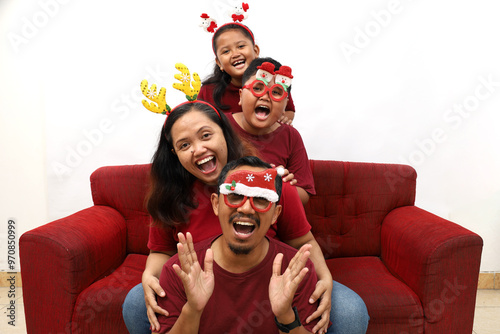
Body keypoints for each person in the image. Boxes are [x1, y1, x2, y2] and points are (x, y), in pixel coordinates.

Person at [122, 101, 369, 334]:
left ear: (225, 134)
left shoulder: (269, 183)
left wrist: (325, 277)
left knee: (350, 311)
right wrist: (149, 275)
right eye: (184, 145)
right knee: (136, 301)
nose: (199, 149)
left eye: (206, 135)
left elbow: (303, 240)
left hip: (264, 281)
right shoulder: (168, 196)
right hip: (199, 284)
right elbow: (161, 251)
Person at [153, 156, 324, 333]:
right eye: (235, 196)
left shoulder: (296, 271)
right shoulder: (180, 270)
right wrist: (192, 310)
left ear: (275, 214)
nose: (246, 208)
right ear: (216, 204)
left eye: (260, 199)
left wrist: (285, 316)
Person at [227, 57, 314, 205]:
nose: (265, 97)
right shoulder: (220, 125)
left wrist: (277, 185)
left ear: (285, 104)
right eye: (258, 88)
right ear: (241, 96)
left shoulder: (290, 136)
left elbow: (304, 194)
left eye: (277, 92)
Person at [197, 22, 295, 124]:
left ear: (255, 50)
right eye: (226, 51)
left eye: (241, 46)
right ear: (219, 63)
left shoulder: (274, 80)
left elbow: (289, 110)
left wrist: (284, 119)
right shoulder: (207, 91)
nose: (235, 54)